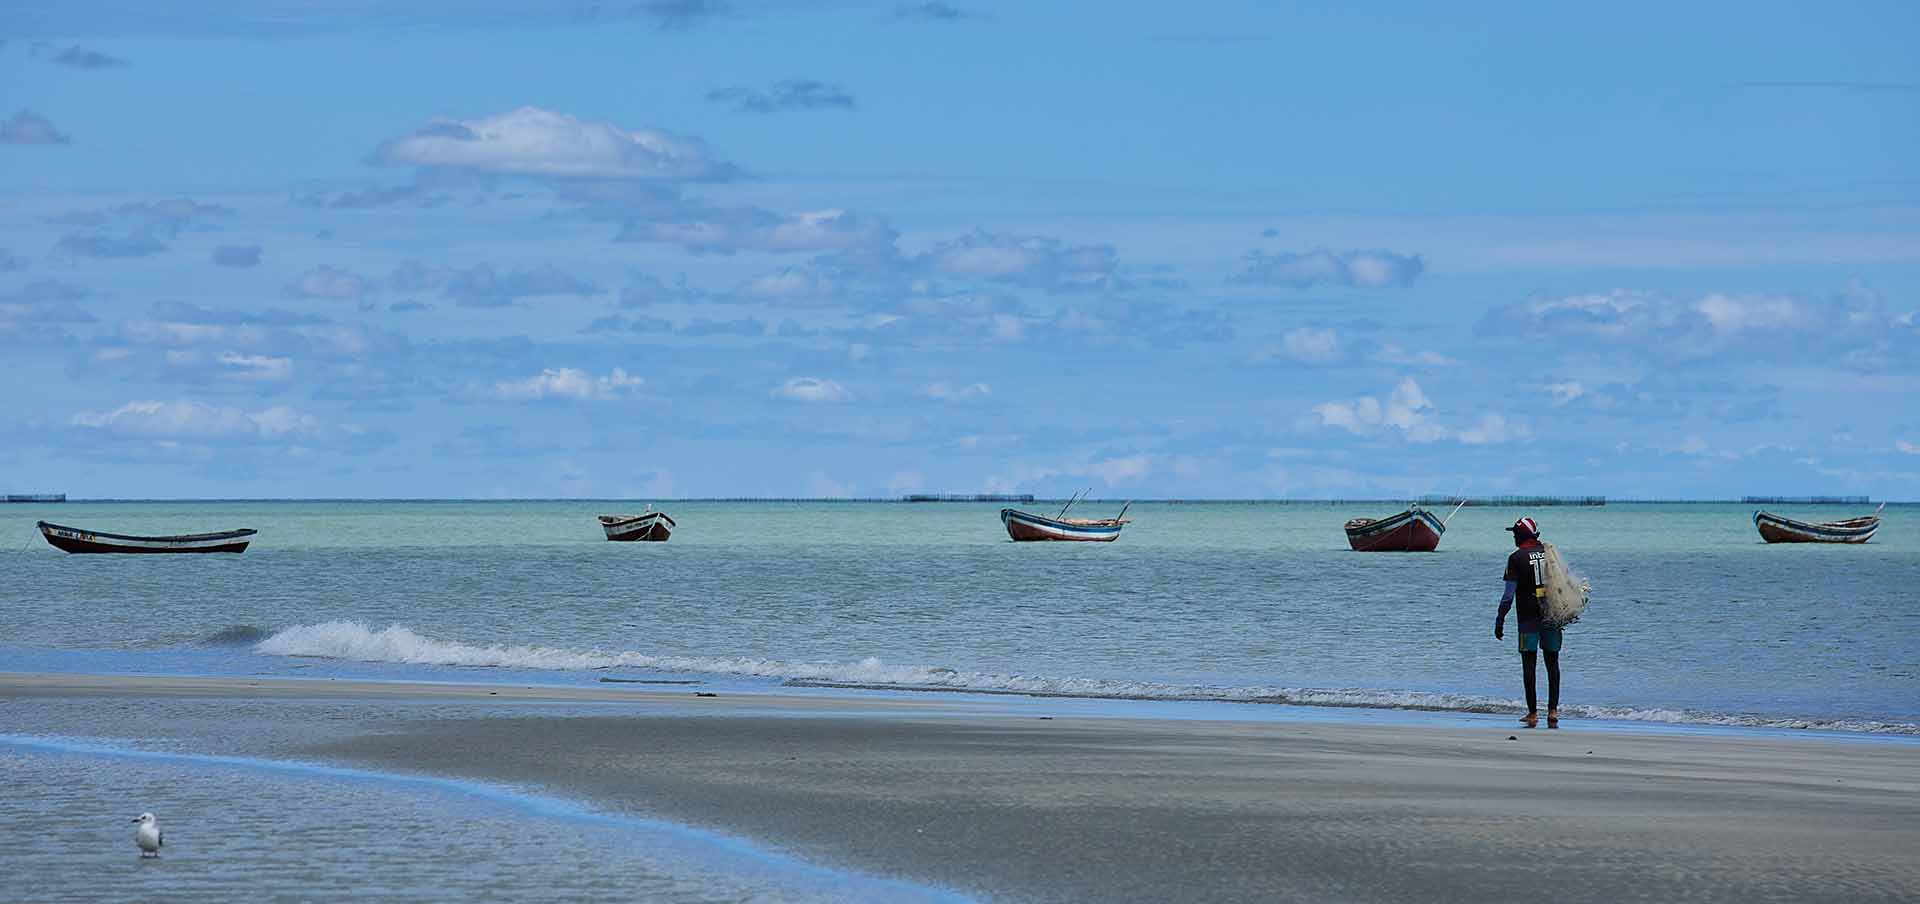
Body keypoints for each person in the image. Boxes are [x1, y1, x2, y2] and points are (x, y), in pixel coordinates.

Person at [1494, 516, 1561, 727]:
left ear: (1522, 535)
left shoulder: (1515, 558)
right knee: (1552, 663)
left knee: (1529, 665)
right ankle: (1553, 711)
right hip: (1552, 615)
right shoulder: (1549, 553)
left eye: (1515, 533)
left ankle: (1532, 713)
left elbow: (1508, 596)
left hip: (1527, 618)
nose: (1513, 537)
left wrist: (1500, 619)